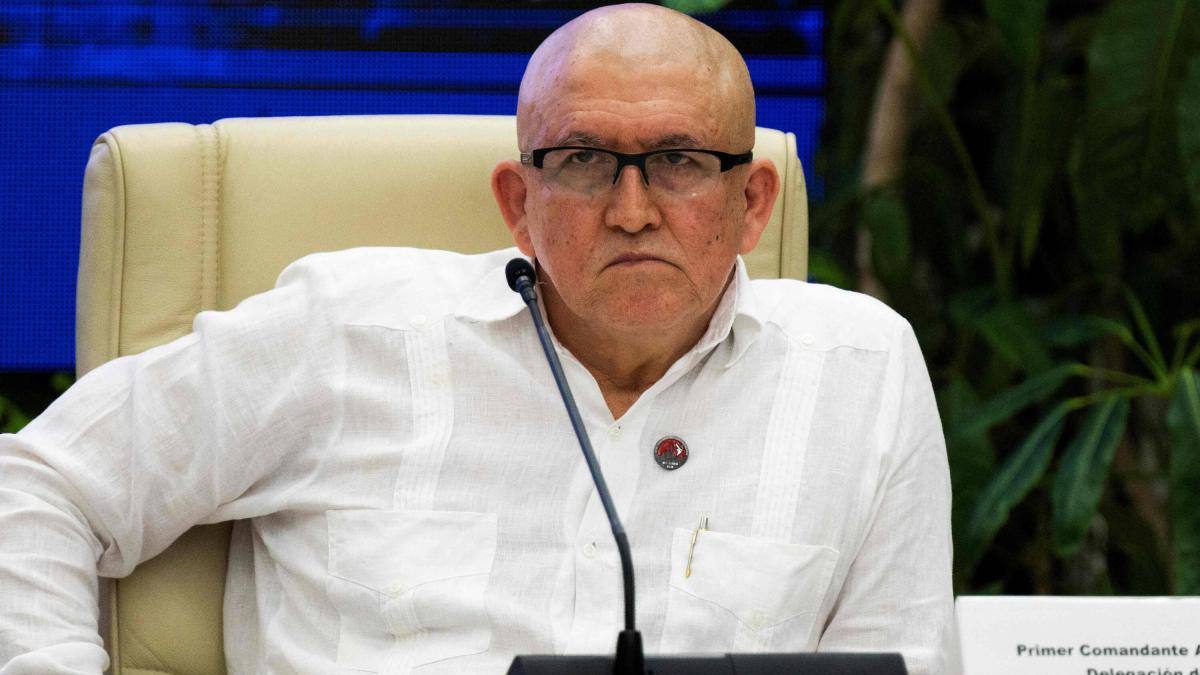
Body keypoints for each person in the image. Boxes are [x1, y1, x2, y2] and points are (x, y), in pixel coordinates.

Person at [0, 4, 958, 674]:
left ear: (751, 204)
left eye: (677, 161)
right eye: (583, 161)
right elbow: (36, 486)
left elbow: (903, 663)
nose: (632, 210)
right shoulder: (349, 330)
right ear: (518, 203)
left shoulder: (860, 373)